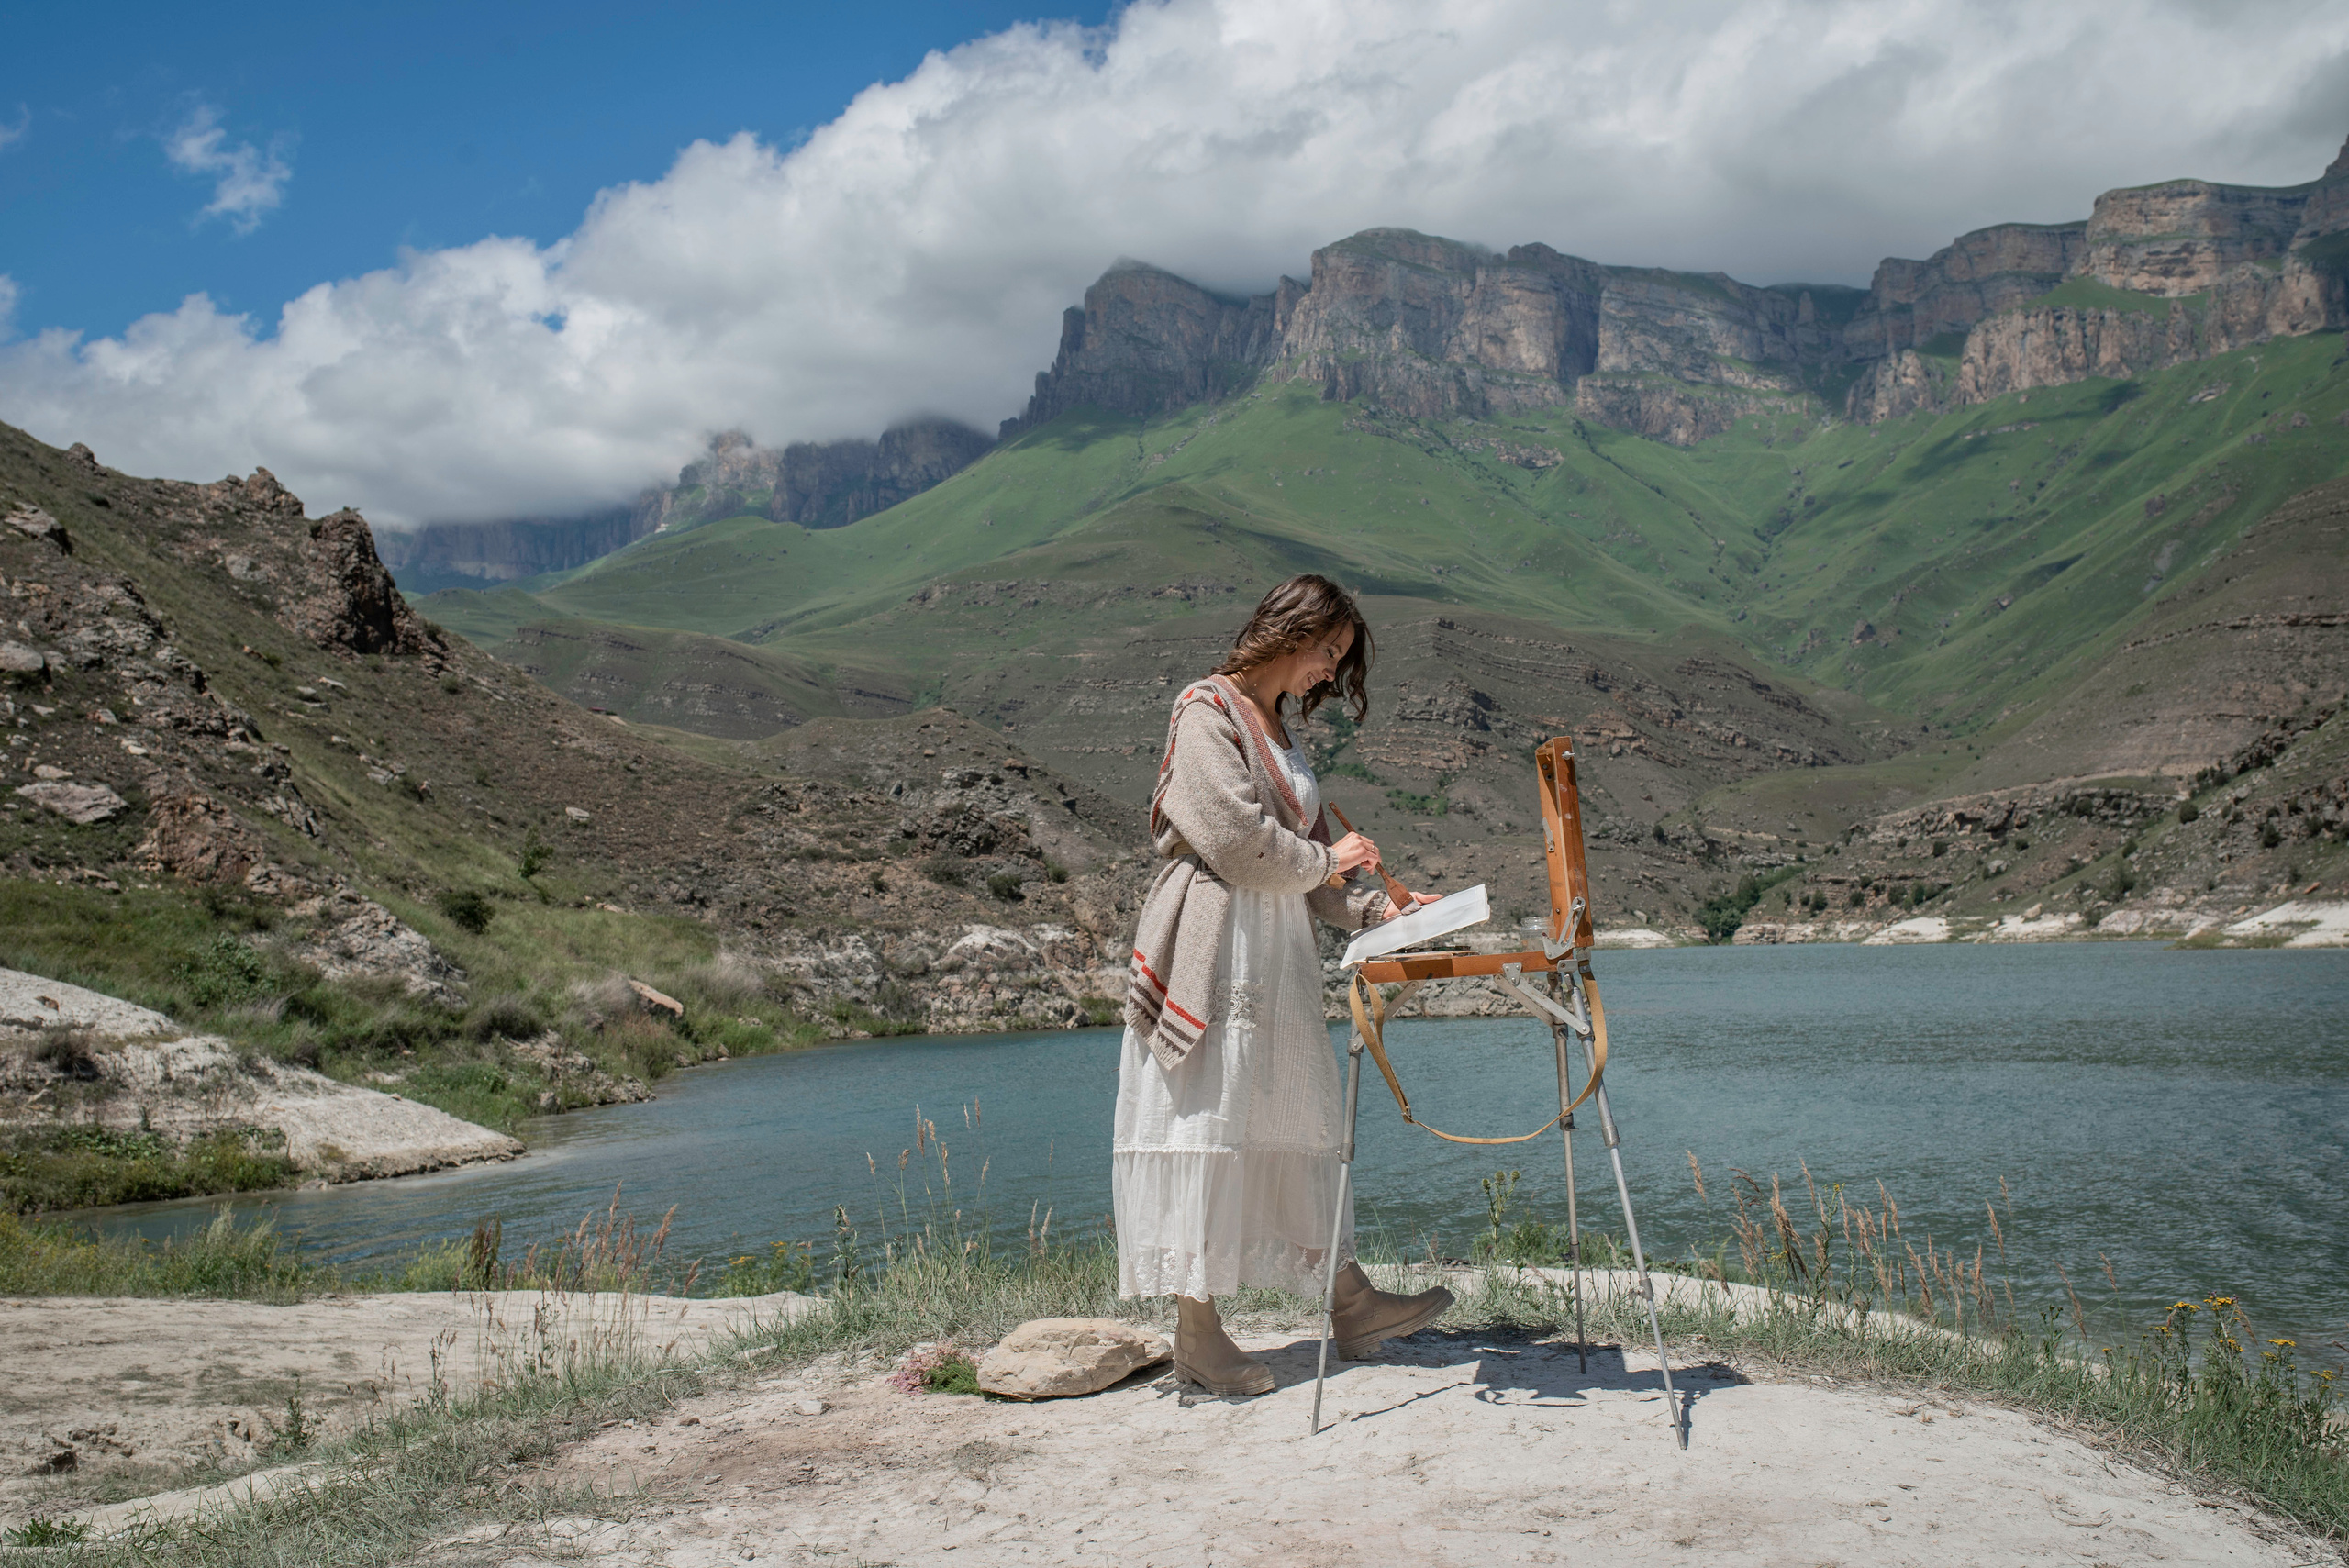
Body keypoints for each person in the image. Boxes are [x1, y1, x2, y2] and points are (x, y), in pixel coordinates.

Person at [1118, 573, 1454, 1396]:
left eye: (1341, 661)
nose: (1330, 675)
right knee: (1212, 1118)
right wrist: (1327, 858)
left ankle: (1350, 1298)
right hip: (1216, 941)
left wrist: (1385, 908)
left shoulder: (1273, 727)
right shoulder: (1205, 709)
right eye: (1327, 652)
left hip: (1278, 950)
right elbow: (1236, 839)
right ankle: (1197, 1334)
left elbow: (1308, 872)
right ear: (1288, 632)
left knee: (1293, 1115)